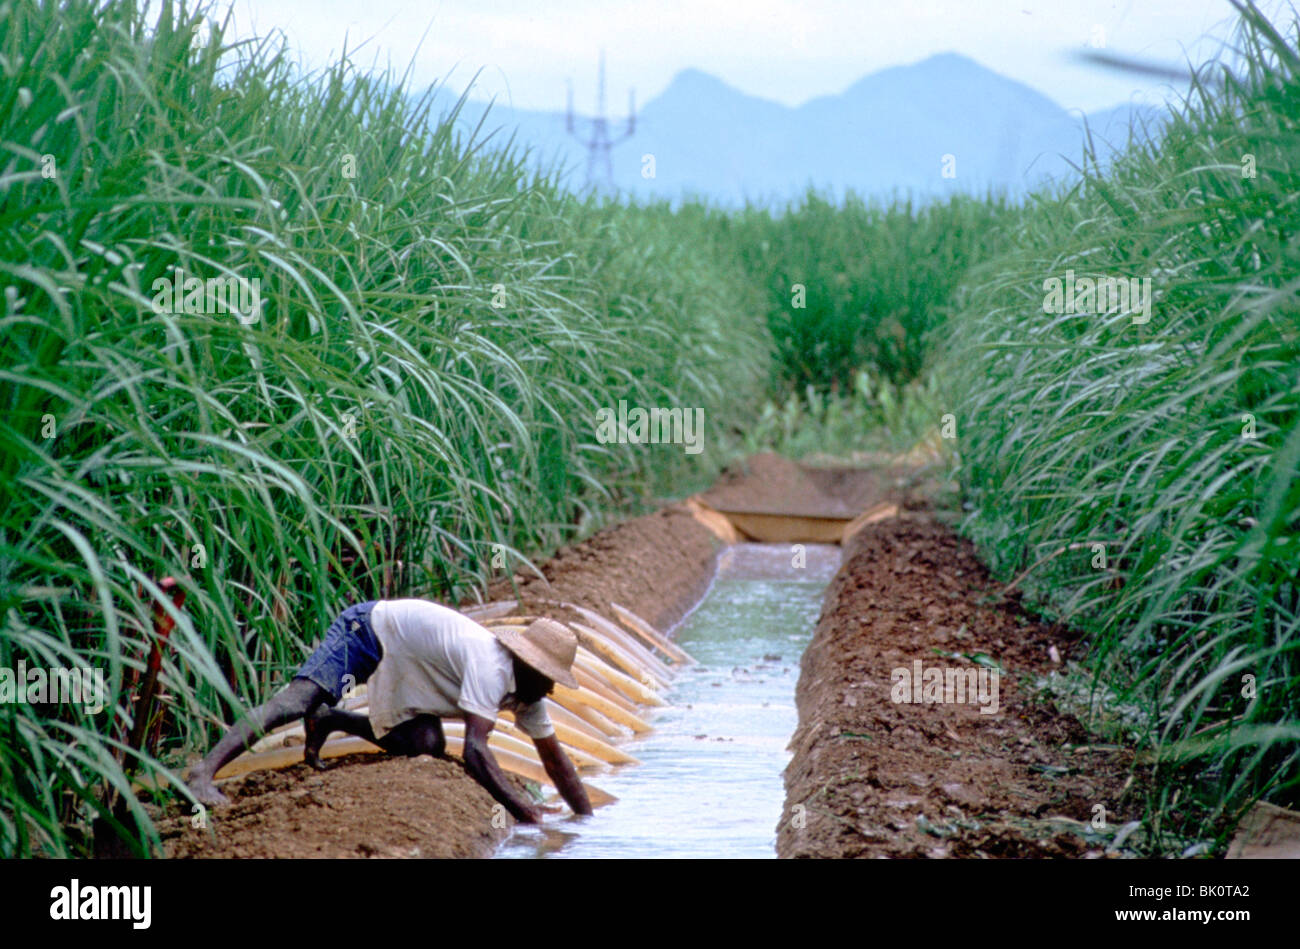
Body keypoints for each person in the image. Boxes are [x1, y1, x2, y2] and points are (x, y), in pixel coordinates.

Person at [185, 599, 592, 822]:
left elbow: (557, 764)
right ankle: (204, 773)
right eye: (547, 676)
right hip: (368, 631)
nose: (551, 687)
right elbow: (475, 751)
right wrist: (527, 813)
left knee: (425, 743)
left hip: (408, 659)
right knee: (296, 701)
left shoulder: (529, 693)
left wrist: (585, 822)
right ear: (526, 664)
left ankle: (331, 719)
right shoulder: (493, 666)